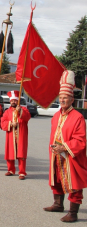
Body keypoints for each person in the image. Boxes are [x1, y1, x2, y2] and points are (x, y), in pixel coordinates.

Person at [43, 70, 87, 223]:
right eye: (60, 97)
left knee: (73, 183)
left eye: (65, 98)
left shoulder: (78, 117)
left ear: (72, 99)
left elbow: (81, 140)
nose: (62, 100)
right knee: (57, 179)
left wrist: (65, 147)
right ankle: (58, 204)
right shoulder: (56, 116)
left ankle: (73, 213)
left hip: (70, 156)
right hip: (56, 155)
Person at [0, 90, 31, 179]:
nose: (13, 102)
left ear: (18, 101)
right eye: (12, 100)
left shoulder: (24, 109)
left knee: (21, 154)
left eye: (15, 100)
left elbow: (27, 117)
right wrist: (10, 124)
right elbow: (3, 123)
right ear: (10, 101)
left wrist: (20, 110)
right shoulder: (7, 112)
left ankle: (22, 172)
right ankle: (11, 170)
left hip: (21, 135)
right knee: (10, 153)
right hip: (11, 135)